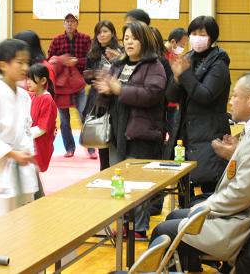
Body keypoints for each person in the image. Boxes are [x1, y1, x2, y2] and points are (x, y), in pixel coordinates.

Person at [150, 73, 250, 271]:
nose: (230, 102)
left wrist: (204, 207)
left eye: (235, 96)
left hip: (244, 224)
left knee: (163, 230)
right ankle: (190, 266)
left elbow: (242, 194)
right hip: (245, 212)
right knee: (175, 216)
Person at [94, 20, 166, 239]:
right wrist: (104, 91)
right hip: (117, 132)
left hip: (142, 133)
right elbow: (106, 97)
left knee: (139, 182)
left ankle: (140, 228)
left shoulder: (155, 66)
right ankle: (124, 223)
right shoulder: (118, 65)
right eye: (126, 38)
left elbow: (152, 94)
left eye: (134, 38)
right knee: (120, 180)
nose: (129, 42)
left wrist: (120, 89)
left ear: (143, 40)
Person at [0, 39, 38, 224]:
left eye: (27, 62)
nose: (25, 67)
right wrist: (11, 153)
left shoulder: (25, 97)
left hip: (23, 172)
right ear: (3, 64)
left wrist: (27, 152)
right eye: (20, 62)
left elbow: (26, 130)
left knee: (25, 227)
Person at [166, 16, 230, 194]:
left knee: (209, 188)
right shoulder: (187, 58)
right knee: (184, 189)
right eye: (193, 33)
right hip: (186, 133)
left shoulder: (219, 64)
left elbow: (205, 95)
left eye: (202, 34)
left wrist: (184, 75)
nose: (197, 37)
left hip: (210, 133)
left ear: (212, 37)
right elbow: (171, 96)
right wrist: (177, 79)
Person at [47, 13, 93, 158]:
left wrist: (76, 62)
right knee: (64, 119)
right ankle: (69, 148)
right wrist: (62, 61)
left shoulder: (85, 39)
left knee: (84, 114)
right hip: (61, 86)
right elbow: (49, 60)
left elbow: (91, 59)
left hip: (79, 84)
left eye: (72, 21)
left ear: (77, 23)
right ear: (63, 23)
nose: (70, 24)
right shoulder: (57, 40)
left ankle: (91, 147)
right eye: (67, 21)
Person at [83, 20, 122, 170]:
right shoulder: (93, 53)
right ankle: (103, 171)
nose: (102, 35)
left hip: (116, 98)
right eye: (99, 32)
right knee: (102, 139)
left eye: (105, 31)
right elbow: (86, 78)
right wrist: (96, 75)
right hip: (98, 101)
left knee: (116, 138)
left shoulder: (120, 51)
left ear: (112, 33)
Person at [26, 63, 57, 173]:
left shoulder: (47, 100)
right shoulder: (32, 96)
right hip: (31, 142)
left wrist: (24, 135)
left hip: (39, 144)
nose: (28, 82)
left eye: (31, 79)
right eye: (27, 78)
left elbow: (42, 128)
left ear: (43, 81)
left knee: (32, 174)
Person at [163, 28, 189, 160]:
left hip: (173, 102)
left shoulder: (175, 56)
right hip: (165, 102)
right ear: (173, 42)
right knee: (173, 134)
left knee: (175, 134)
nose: (183, 48)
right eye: (182, 45)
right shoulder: (162, 56)